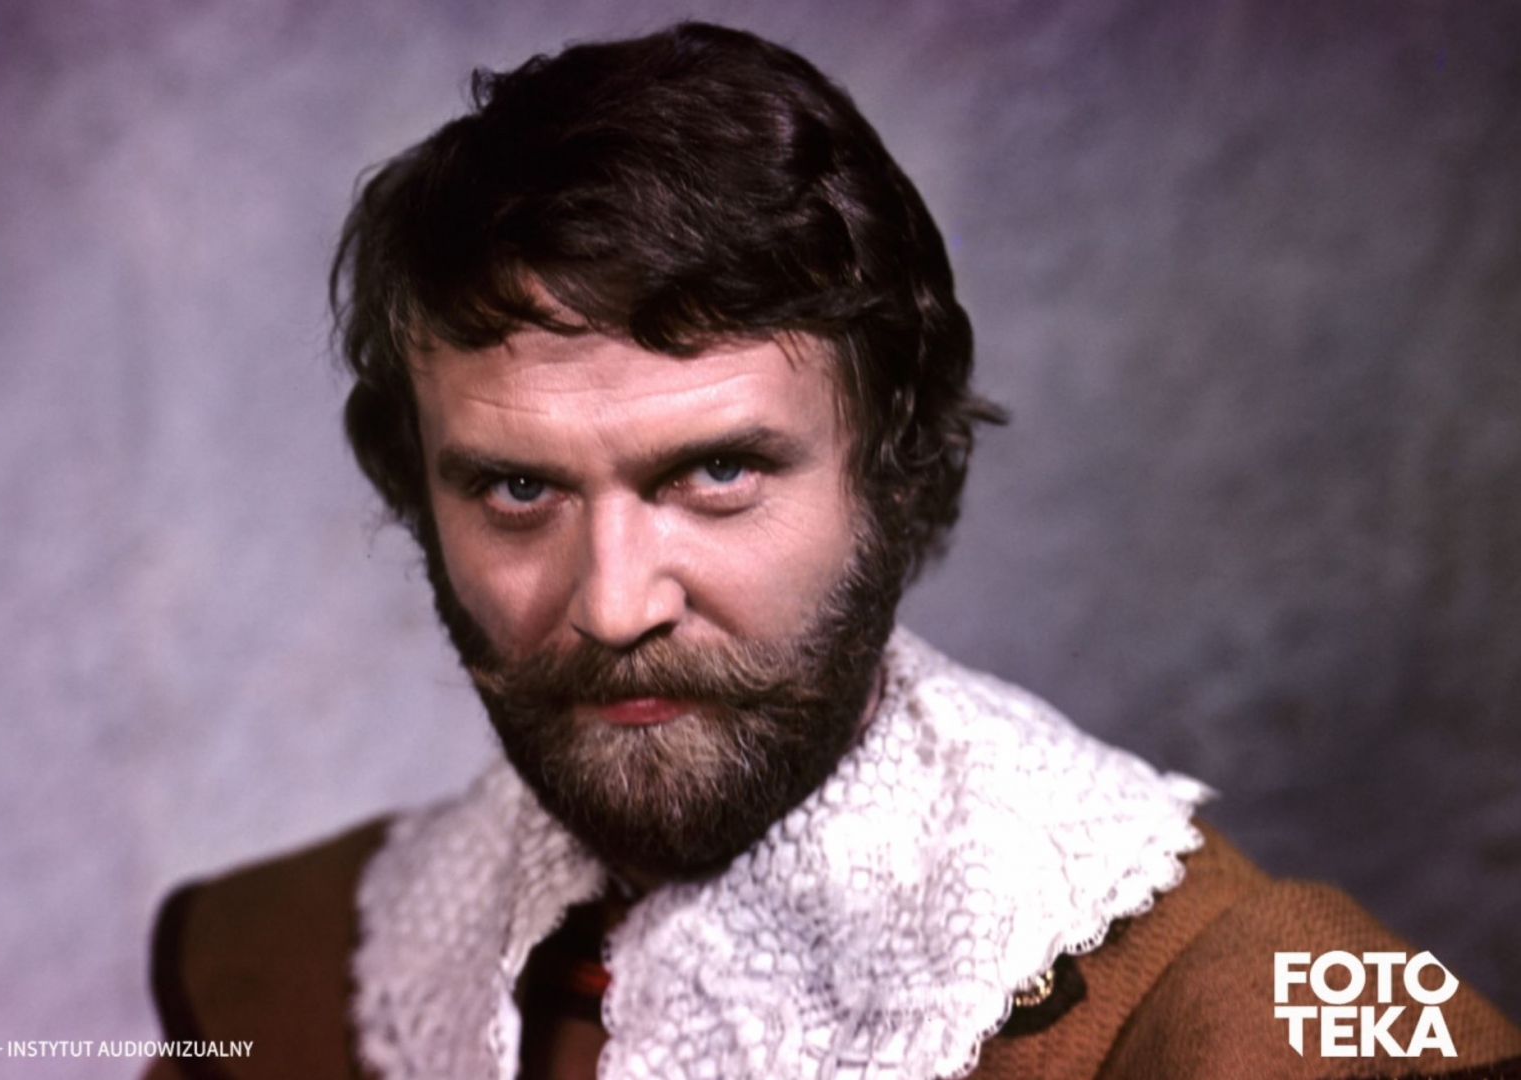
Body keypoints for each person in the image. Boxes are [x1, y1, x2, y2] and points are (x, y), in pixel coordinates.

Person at [142, 22, 1520, 1080]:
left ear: (897, 471)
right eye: (516, 489)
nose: (614, 603)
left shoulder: (1249, 1005)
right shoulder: (288, 975)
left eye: (719, 473)